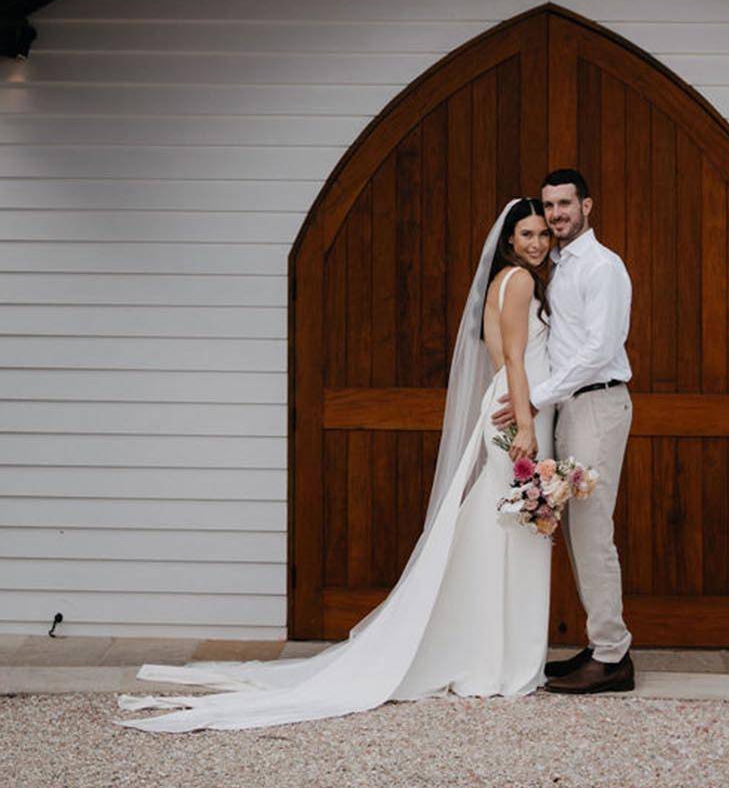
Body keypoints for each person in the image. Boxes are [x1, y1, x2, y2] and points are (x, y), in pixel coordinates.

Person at [117, 198, 556, 731]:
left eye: (542, 235)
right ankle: (499, 658)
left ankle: (492, 648)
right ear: (509, 239)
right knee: (514, 528)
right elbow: (511, 355)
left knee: (504, 527)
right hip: (517, 412)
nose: (537, 243)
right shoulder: (521, 283)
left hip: (510, 404)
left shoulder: (503, 281)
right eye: (527, 234)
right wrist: (527, 423)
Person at [491, 168, 635, 695]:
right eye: (549, 206)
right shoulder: (553, 264)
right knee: (577, 533)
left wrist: (535, 397)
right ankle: (600, 643)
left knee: (594, 530)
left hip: (596, 405)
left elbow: (599, 350)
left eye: (565, 204)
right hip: (567, 409)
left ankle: (614, 655)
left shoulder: (602, 267)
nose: (555, 214)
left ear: (587, 206)